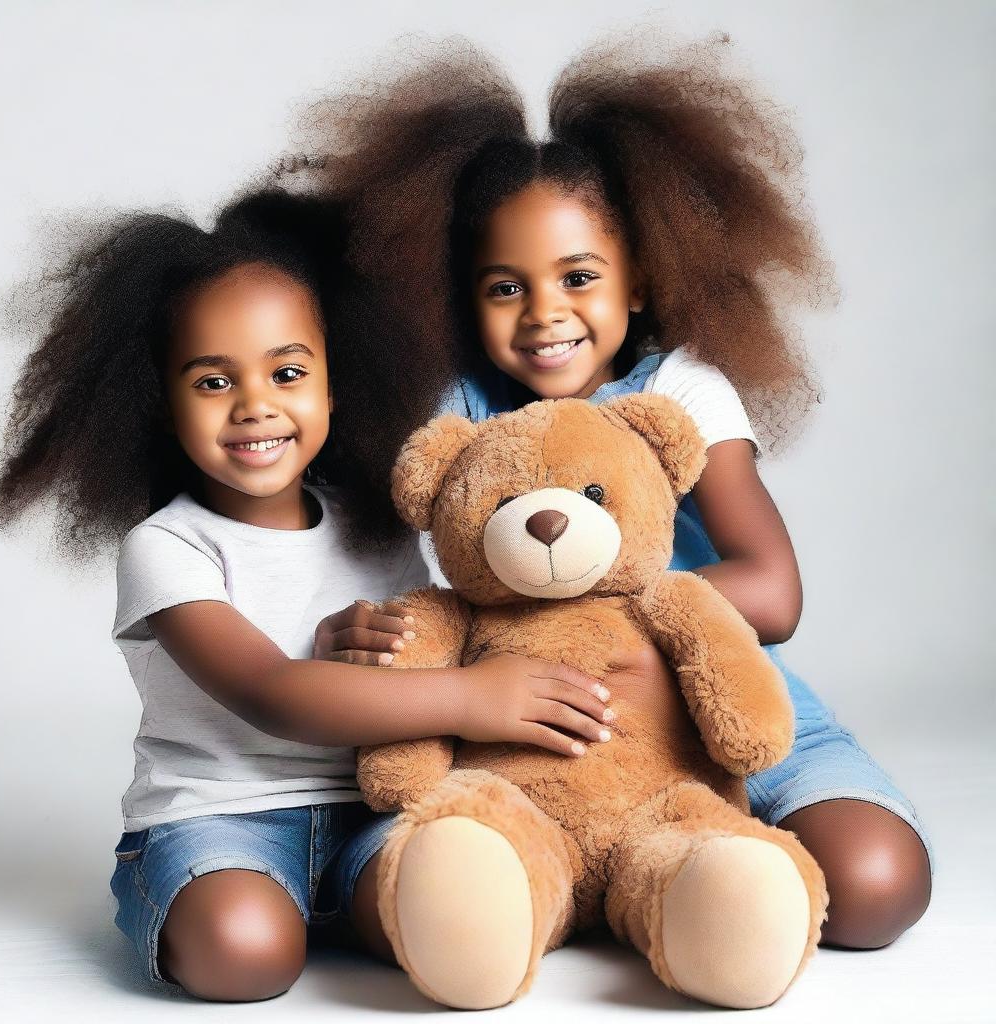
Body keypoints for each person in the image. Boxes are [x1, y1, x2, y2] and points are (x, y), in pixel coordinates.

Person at [287, 31, 933, 950]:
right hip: (535, 718)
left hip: (716, 691)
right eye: (506, 286)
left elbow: (774, 593)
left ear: (638, 281)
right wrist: (360, 629)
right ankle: (583, 878)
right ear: (461, 299)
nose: (544, 311)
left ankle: (705, 862)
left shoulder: (680, 391)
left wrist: (614, 622)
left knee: (876, 886)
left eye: (579, 277)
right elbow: (382, 565)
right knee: (446, 881)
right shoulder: (457, 410)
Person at [0, 189, 613, 1001]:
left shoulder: (378, 528)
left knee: (456, 899)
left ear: (334, 383)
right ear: (159, 403)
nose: (256, 406)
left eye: (287, 372)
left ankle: (388, 909)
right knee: (247, 954)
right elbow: (273, 694)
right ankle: (200, 902)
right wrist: (469, 697)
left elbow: (426, 641)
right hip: (218, 821)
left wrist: (399, 654)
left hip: (369, 810)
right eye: (213, 382)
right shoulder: (168, 548)